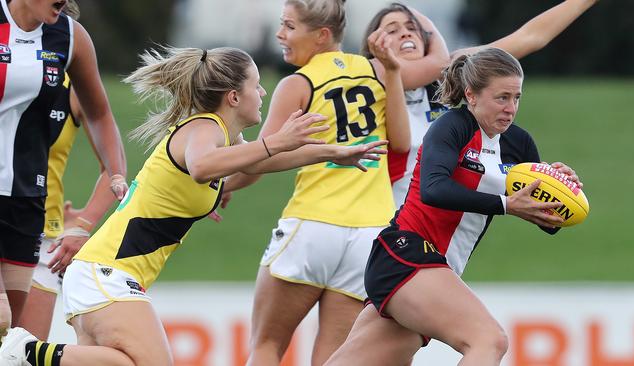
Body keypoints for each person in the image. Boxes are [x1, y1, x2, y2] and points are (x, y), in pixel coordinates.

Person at [0, 45, 389, 366]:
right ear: (233, 97)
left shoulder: (221, 136)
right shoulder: (204, 128)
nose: (264, 93)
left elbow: (261, 162)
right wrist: (277, 140)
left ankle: (30, 353)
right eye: (257, 86)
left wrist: (329, 154)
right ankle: (26, 350)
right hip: (107, 273)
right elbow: (204, 167)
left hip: (102, 274)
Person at [324, 48, 583, 366]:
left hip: (436, 271)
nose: (510, 108)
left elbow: (546, 221)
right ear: (471, 95)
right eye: (501, 97)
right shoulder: (453, 126)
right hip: (406, 254)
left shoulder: (519, 143)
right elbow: (434, 190)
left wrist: (559, 192)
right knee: (489, 340)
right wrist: (504, 204)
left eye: (516, 97)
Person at [237, 1, 446, 364]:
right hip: (368, 236)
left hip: (312, 225)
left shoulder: (297, 84)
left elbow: (259, 159)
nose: (280, 35)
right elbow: (404, 134)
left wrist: (222, 187)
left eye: (289, 26)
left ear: (321, 35)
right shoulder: (379, 71)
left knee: (267, 345)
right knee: (334, 357)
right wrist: (419, 22)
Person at [359, 0, 597, 207]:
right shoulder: (362, 89)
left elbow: (529, 37)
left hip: (442, 229)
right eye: (391, 30)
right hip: (384, 225)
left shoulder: (448, 75)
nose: (405, 33)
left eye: (413, 28)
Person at [0, 0, 127, 338]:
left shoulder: (69, 42)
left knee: (16, 346)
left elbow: (102, 118)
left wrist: (83, 223)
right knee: (1, 318)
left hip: (33, 215)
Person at [15, 75, 117, 340]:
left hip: (40, 241)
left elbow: (114, 171)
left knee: (23, 355)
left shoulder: (74, 86)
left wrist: (81, 226)